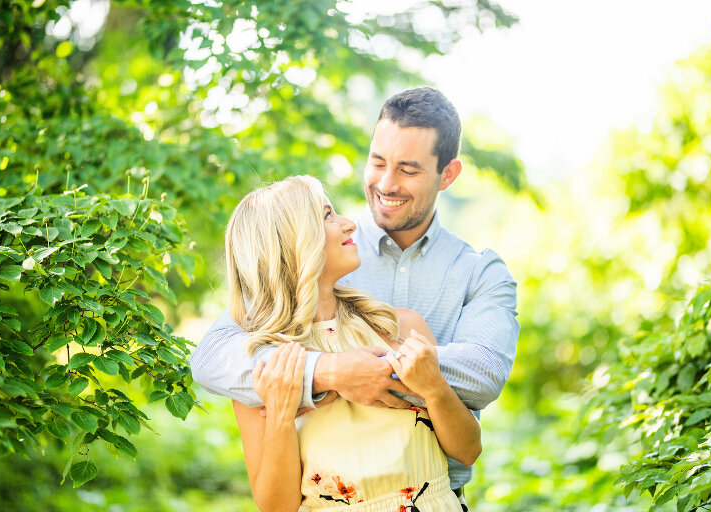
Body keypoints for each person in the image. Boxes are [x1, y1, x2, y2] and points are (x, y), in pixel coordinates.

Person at [191, 87, 519, 508]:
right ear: (295, 246)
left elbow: (484, 379)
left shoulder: (467, 280)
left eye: (408, 169)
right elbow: (211, 357)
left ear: (448, 175)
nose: (386, 182)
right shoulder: (275, 348)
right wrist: (327, 371)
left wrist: (388, 372)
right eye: (378, 162)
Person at [224, 175, 478, 511]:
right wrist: (281, 415)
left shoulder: (400, 327)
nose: (348, 224)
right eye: (327, 216)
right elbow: (276, 506)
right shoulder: (265, 365)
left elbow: (468, 451)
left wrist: (436, 389)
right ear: (291, 243)